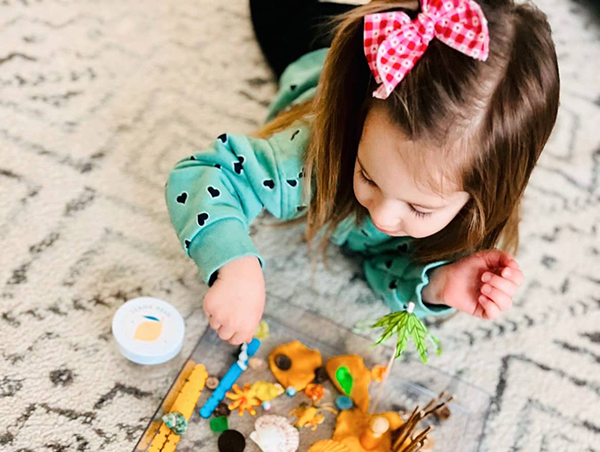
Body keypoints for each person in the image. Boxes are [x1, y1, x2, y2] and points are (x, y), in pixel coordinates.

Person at [165, 0, 560, 345]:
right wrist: (235, 266)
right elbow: (203, 175)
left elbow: (384, 268)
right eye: (368, 176)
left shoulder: (466, 210)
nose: (383, 216)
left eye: (419, 209)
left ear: (483, 198)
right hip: (312, 51)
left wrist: (440, 283)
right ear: (357, 121)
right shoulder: (311, 155)